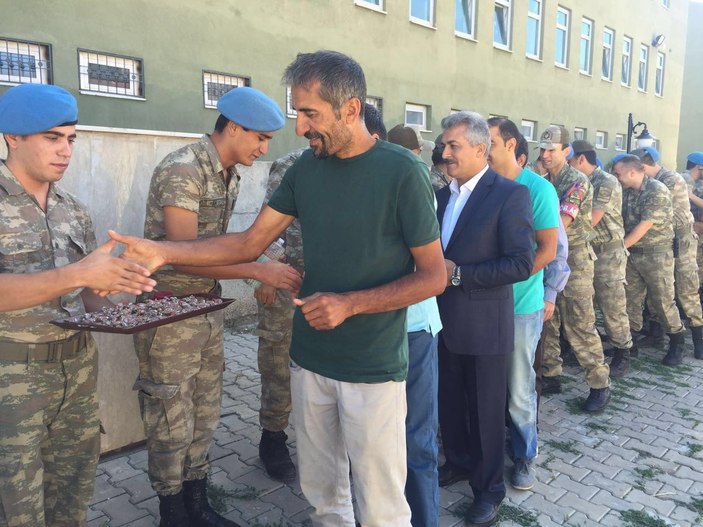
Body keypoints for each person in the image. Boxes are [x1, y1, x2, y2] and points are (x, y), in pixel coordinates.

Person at [110, 50, 446, 526]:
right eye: (298, 113)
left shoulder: (402, 172)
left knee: (380, 502)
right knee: (324, 495)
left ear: (350, 109)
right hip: (309, 360)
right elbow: (250, 242)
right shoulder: (305, 170)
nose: (301, 128)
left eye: (310, 113)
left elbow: (433, 276)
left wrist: (350, 304)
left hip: (372, 366)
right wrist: (164, 252)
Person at [133, 86, 301, 527]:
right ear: (233, 127)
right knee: (171, 415)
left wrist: (260, 259)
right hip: (168, 313)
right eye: (260, 138)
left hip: (204, 308)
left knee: (205, 412)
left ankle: (198, 503)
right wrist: (257, 269)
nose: (264, 149)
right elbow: (184, 251)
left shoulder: (230, 173)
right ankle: (172, 510)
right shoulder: (183, 169)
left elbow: (224, 247)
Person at [0, 84, 155, 527]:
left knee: (73, 495)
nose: (65, 150)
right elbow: (73, 277)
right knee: (17, 507)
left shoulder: (74, 211)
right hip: (12, 387)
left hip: (76, 376)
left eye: (71, 139)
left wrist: (125, 287)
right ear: (13, 136)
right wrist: (79, 274)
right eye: (52, 138)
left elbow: (88, 296)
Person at [435, 111, 535, 526]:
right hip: (440, 321)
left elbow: (520, 263)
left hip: (484, 325)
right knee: (450, 402)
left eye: (452, 146)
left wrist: (458, 274)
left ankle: (489, 489)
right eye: (443, 145)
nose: (444, 153)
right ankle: (458, 461)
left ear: (481, 149)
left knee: (487, 411)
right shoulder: (442, 195)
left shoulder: (509, 195)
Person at [486, 117, 558, 491]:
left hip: (519, 305)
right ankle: (481, 452)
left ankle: (524, 455)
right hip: (479, 305)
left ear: (511, 145)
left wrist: (508, 277)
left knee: (518, 387)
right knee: (483, 385)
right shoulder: (479, 185)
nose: (483, 148)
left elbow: (549, 250)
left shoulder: (539, 190)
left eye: (491, 142)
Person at [387, 124, 443, 527]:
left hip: (415, 326)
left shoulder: (416, 185)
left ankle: (423, 519)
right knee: (384, 439)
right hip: (380, 327)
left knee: (416, 438)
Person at [539, 125, 611, 412]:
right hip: (549, 255)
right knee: (550, 321)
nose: (544, 155)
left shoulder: (576, 180)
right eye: (542, 150)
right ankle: (551, 374)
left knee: (580, 324)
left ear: (566, 151)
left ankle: (600, 384)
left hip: (576, 260)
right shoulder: (545, 181)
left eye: (551, 150)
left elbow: (561, 224)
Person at [631, 146, 703, 361]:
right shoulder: (646, 183)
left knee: (685, 288)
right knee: (660, 290)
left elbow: (656, 211)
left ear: (642, 166)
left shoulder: (669, 181)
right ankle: (656, 334)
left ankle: (698, 338)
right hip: (662, 240)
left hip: (680, 239)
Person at [613, 155, 686, 365]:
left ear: (632, 172)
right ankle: (630, 344)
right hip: (634, 255)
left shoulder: (657, 190)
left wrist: (619, 248)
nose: (617, 177)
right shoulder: (626, 192)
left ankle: (676, 341)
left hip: (656, 255)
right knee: (630, 301)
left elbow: (644, 226)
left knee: (663, 302)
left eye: (619, 173)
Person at [569, 140, 633, 377]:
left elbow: (591, 219)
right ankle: (587, 350)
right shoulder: (577, 181)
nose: (568, 165)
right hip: (587, 251)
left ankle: (623, 351)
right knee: (585, 305)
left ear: (581, 159)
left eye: (570, 160)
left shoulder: (605, 181)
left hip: (607, 252)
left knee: (612, 304)